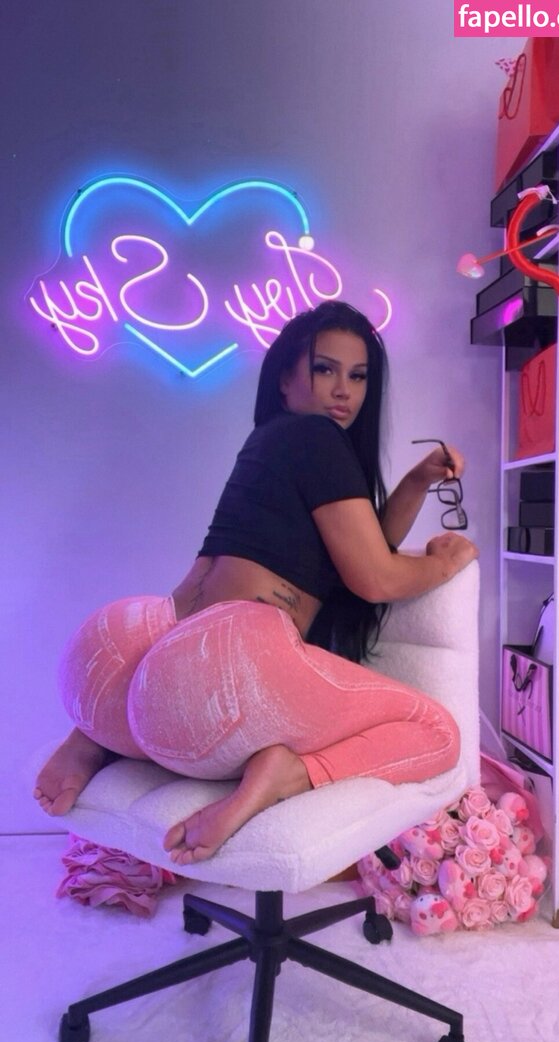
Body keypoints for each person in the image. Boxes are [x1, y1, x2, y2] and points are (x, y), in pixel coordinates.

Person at [34, 301, 478, 866]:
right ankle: (289, 772)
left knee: (158, 700)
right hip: (218, 672)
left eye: (358, 376)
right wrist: (446, 562)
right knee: (438, 732)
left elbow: (363, 546)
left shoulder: (271, 440)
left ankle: (93, 737)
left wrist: (415, 482)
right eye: (325, 369)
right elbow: (374, 577)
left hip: (124, 656)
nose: (343, 390)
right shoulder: (319, 437)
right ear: (285, 379)